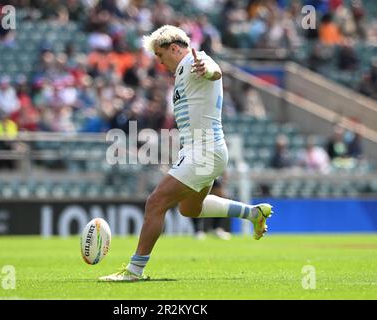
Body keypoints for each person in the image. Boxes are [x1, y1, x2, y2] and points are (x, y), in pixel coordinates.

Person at [99, 25, 273, 282]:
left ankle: (134, 270)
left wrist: (208, 69)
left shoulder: (194, 59)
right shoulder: (182, 72)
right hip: (204, 151)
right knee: (190, 209)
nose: (160, 62)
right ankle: (252, 213)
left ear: (174, 48)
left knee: (155, 202)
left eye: (161, 55)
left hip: (204, 151)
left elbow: (214, 71)